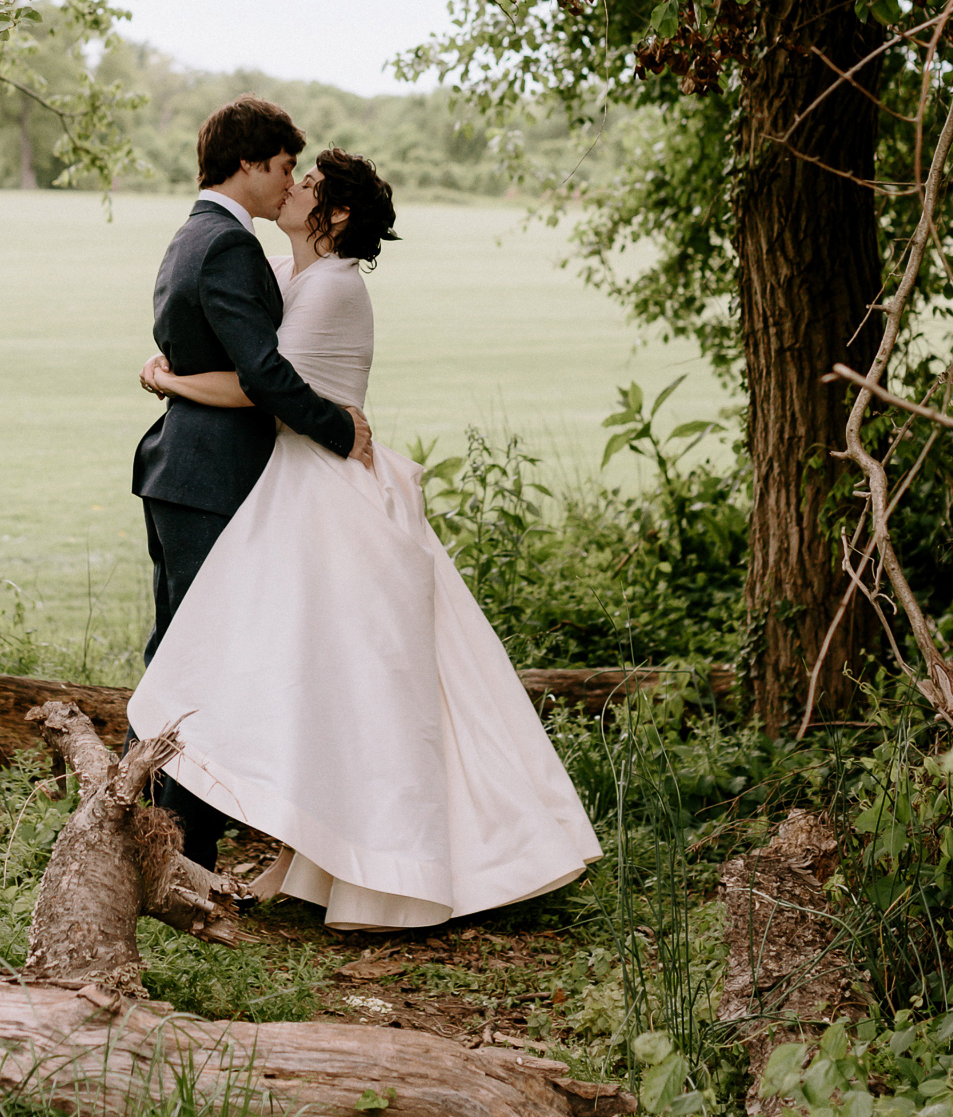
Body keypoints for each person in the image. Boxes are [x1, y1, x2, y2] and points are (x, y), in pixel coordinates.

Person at [128, 147, 600, 929]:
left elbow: (267, 389)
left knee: (357, 684)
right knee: (315, 681)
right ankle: (288, 850)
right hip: (295, 487)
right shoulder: (292, 275)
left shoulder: (335, 290)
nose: (292, 187)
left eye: (307, 183)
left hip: (327, 492)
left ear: (336, 213)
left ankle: (391, 859)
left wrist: (166, 380)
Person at [131, 96, 374, 871]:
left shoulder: (192, 235)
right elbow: (263, 374)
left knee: (177, 653)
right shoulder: (229, 245)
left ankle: (146, 831)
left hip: (183, 470)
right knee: (199, 662)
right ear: (246, 164)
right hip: (210, 476)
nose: (286, 183)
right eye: (279, 168)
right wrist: (344, 431)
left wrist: (166, 379)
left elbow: (205, 352)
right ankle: (180, 851)